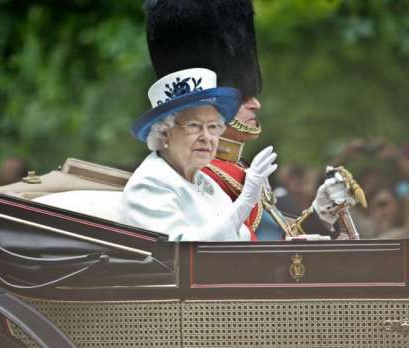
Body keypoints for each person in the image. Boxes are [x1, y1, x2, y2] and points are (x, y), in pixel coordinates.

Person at [144, 0, 365, 240]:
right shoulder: (198, 173)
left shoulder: (240, 167)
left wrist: (321, 214)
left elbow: (278, 237)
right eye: (241, 97)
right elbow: (219, 250)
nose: (256, 104)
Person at [120, 67, 277, 241]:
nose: (206, 137)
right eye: (194, 126)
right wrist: (244, 202)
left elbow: (242, 239)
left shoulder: (204, 181)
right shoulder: (150, 183)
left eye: (213, 127)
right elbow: (184, 252)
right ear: (164, 134)